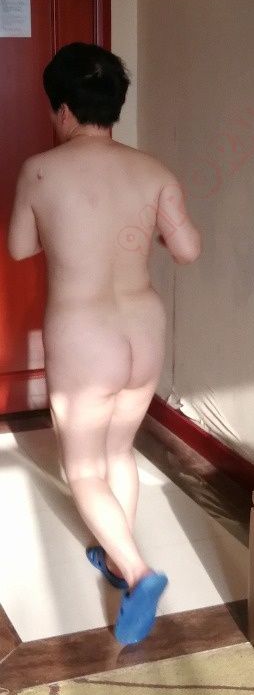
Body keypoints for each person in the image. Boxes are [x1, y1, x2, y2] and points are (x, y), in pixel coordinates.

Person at [7, 42, 201, 644]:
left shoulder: (41, 170)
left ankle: (139, 574)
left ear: (63, 110)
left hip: (84, 333)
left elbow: (19, 247)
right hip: (143, 328)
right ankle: (117, 557)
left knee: (83, 466)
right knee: (118, 449)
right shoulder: (154, 170)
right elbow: (188, 249)